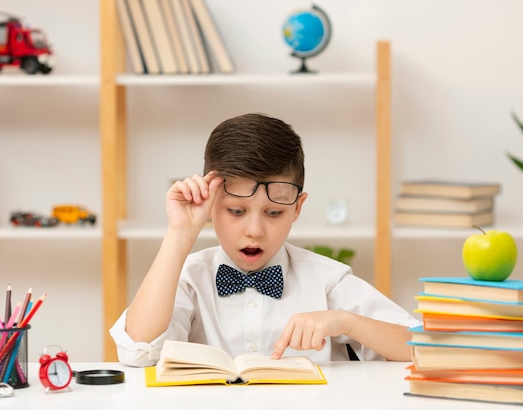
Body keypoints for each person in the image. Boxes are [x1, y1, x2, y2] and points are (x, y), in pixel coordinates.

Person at [110, 113, 420, 366]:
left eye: (273, 213)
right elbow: (135, 351)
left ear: (297, 208)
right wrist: (180, 233)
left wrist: (346, 322)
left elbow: (423, 349)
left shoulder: (326, 279)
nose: (255, 230)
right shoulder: (188, 277)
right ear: (210, 203)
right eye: (236, 210)